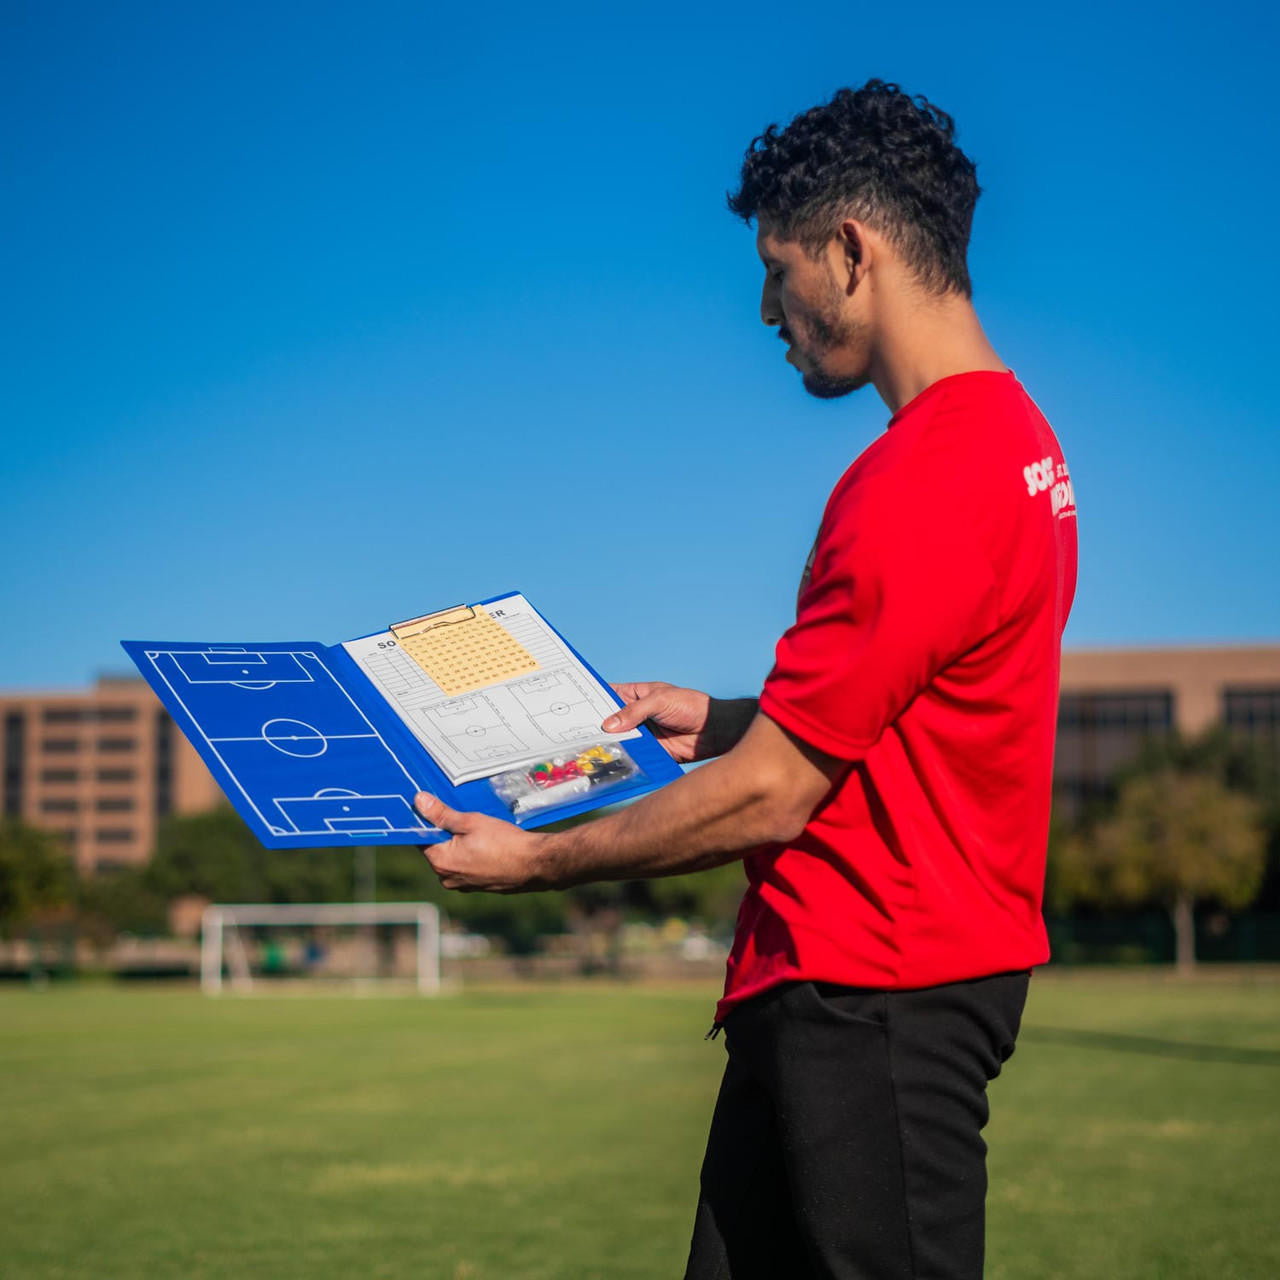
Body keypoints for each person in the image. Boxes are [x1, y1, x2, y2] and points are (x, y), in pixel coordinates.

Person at [414, 79, 1077, 1280]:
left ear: (848, 249)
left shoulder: (919, 477)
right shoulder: (1015, 442)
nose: (765, 307)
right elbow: (914, 696)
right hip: (842, 983)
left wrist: (534, 857)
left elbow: (774, 794)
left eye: (776, 270)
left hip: (876, 991)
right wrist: (722, 719)